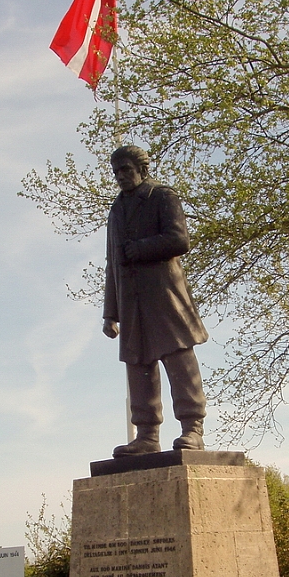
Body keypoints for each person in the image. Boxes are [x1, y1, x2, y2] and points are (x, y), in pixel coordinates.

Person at [103, 145, 209, 457]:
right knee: (139, 364)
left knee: (178, 358)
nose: (121, 176)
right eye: (116, 171)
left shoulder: (162, 197)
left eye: (126, 169)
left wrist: (142, 248)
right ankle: (146, 434)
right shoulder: (116, 210)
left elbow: (179, 239)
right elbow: (113, 262)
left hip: (164, 295)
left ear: (142, 169)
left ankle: (193, 428)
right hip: (130, 301)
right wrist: (111, 313)